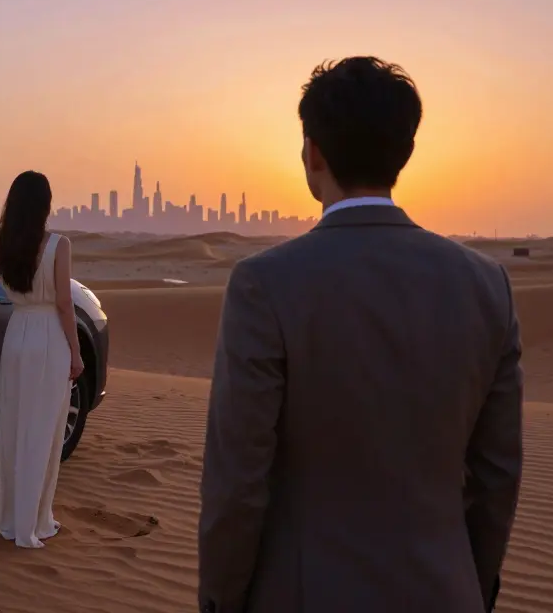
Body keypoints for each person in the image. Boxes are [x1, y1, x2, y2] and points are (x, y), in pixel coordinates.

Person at [197, 57, 523, 612]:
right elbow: (496, 478)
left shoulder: (263, 284)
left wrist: (220, 604)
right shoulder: (486, 284)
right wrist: (469, 588)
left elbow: (237, 484)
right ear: (405, 152)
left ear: (313, 152)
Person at [0, 171, 85, 549]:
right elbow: (63, 303)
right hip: (49, 339)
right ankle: (33, 520)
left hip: (17, 336)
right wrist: (76, 351)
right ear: (45, 204)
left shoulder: (4, 244)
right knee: (42, 431)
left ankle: (9, 517)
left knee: (14, 425)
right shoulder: (59, 244)